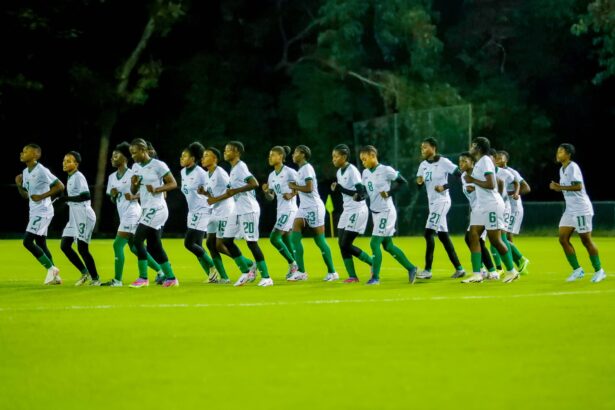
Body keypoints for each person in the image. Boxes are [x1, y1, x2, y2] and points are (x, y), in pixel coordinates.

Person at [102, 142, 164, 287]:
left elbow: (143, 193)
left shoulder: (133, 174)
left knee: (117, 245)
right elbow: (113, 198)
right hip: (123, 213)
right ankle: (161, 272)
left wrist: (134, 197)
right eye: (112, 156)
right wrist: (113, 195)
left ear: (124, 158)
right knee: (135, 247)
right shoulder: (112, 177)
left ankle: (117, 280)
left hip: (133, 212)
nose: (112, 158)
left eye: (116, 155)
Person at [461, 137, 519, 283]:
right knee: (473, 235)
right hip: (482, 206)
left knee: (495, 240)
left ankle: (512, 271)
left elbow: (492, 184)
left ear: (479, 148)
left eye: (473, 145)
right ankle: (477, 274)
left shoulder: (485, 160)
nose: (471, 147)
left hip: (492, 205)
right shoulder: (480, 162)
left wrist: (472, 181)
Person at [358, 145, 417, 285]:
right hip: (375, 212)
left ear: (373, 155)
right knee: (388, 246)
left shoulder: (386, 170)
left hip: (386, 211)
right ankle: (411, 268)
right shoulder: (365, 173)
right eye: (361, 160)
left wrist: (389, 193)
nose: (363, 162)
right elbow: (366, 191)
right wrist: (359, 196)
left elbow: (403, 183)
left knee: (374, 242)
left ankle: (375, 278)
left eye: (364, 159)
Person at [549, 143, 605, 282]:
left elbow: (579, 186)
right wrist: (559, 187)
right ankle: (577, 270)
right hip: (570, 210)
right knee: (562, 238)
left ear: (568, 154)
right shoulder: (562, 169)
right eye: (557, 152)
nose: (558, 154)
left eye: (561, 152)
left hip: (581, 209)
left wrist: (559, 187)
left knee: (586, 240)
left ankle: (599, 271)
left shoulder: (573, 167)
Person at [128, 138, 179, 288]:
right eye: (131, 153)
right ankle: (171, 278)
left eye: (135, 152)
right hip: (146, 208)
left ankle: (143, 278)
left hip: (157, 208)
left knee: (137, 240)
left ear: (143, 150)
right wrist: (133, 184)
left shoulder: (158, 165)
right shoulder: (135, 167)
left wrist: (157, 189)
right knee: (154, 246)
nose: (133, 156)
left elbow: (173, 183)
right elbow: (133, 191)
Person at [198, 147, 252, 284]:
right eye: (203, 156)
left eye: (206, 156)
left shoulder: (220, 173)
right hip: (215, 211)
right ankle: (224, 277)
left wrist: (213, 200)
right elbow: (213, 195)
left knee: (220, 245)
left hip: (226, 211)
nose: (203, 158)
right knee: (210, 243)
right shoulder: (207, 175)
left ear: (215, 159)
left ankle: (249, 264)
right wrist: (205, 194)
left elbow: (230, 192)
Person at [415, 138, 465, 279]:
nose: (422, 150)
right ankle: (459, 269)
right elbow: (419, 184)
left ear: (433, 147)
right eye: (421, 147)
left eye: (425, 147)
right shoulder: (423, 165)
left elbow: (460, 175)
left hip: (442, 201)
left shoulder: (443, 162)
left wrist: (445, 186)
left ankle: (427, 270)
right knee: (443, 236)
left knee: (428, 233)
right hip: (432, 204)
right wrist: (419, 183)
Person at [223, 141, 271, 287]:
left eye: (228, 150)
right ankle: (245, 271)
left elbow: (254, 183)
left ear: (236, 152)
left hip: (248, 209)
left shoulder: (240, 167)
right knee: (226, 240)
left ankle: (267, 277)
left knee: (251, 243)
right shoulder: (233, 169)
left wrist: (235, 191)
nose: (225, 153)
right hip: (238, 209)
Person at [16, 143, 64, 285]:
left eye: (25, 151)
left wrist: (42, 196)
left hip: (43, 211)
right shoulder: (25, 172)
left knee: (27, 242)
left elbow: (60, 186)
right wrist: (19, 185)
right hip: (34, 211)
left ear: (36, 154)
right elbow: (27, 196)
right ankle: (55, 277)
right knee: (41, 243)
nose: (22, 153)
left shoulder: (42, 170)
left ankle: (51, 269)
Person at [288, 145, 338, 281]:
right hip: (303, 207)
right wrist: (292, 193)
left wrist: (294, 187)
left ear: (303, 154)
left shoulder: (307, 168)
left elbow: (309, 188)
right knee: (294, 237)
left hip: (314, 207)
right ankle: (301, 272)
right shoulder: (300, 170)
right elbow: (302, 189)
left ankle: (332, 272)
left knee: (319, 240)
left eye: (295, 152)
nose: (293, 155)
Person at [57, 151, 101, 286]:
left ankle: (96, 279)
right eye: (64, 160)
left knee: (82, 249)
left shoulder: (78, 176)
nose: (65, 163)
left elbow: (86, 195)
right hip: (74, 216)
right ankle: (84, 272)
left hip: (84, 214)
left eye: (68, 161)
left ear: (76, 164)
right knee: (65, 245)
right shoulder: (70, 177)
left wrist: (66, 198)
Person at [330, 144, 372, 283]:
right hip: (347, 210)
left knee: (346, 244)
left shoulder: (352, 170)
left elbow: (362, 193)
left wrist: (341, 188)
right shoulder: (339, 172)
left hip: (357, 209)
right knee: (340, 243)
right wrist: (338, 189)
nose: (334, 159)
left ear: (344, 157)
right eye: (333, 157)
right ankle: (353, 276)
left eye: (336, 156)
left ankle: (373, 263)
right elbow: (346, 191)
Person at [179, 142, 219, 283]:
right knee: (197, 246)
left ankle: (213, 268)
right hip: (192, 212)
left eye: (185, 156)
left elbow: (211, 191)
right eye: (181, 156)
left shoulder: (201, 173)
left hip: (202, 210)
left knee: (189, 244)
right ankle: (211, 276)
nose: (181, 158)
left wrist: (206, 192)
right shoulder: (183, 172)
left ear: (193, 158)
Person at [458, 152, 498, 279]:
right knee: (474, 239)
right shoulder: (463, 176)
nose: (461, 164)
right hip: (476, 210)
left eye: (464, 161)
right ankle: (486, 270)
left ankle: (492, 271)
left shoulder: (478, 172)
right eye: (460, 161)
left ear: (472, 162)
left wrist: (476, 187)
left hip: (486, 208)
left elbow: (495, 184)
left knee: (478, 239)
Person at [263, 146, 300, 278]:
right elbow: (271, 197)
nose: (270, 157)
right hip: (281, 210)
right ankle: (297, 270)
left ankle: (293, 263)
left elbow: (300, 187)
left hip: (289, 210)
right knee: (286, 239)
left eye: (272, 155)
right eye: (269, 155)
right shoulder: (271, 175)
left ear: (280, 156)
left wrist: (292, 194)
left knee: (274, 238)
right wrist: (267, 192)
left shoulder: (289, 172)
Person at [495, 150, 531, 273]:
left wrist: (513, 193)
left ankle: (519, 262)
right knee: (502, 237)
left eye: (501, 158)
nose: (498, 160)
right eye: (496, 158)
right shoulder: (495, 172)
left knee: (505, 237)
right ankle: (518, 264)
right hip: (503, 207)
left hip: (514, 208)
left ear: (506, 160)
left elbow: (526, 188)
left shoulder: (511, 172)